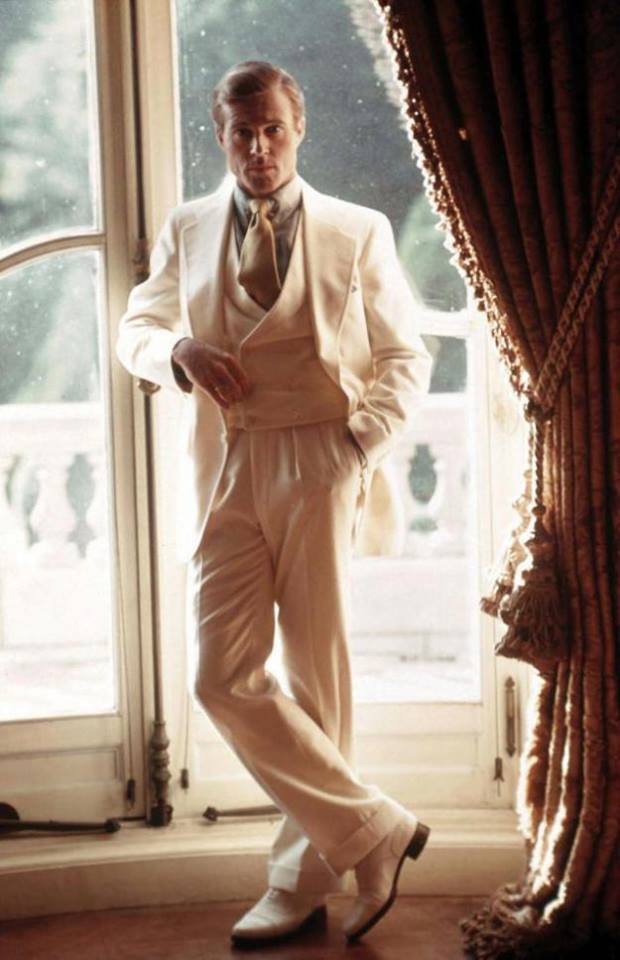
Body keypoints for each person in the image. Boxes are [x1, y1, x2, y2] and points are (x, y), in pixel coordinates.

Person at [116, 59, 433, 945]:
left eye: (274, 131)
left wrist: (357, 444)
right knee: (219, 675)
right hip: (226, 463)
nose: (259, 149)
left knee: (316, 673)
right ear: (220, 136)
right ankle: (374, 828)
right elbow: (135, 328)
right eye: (242, 133)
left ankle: (300, 882)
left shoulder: (357, 229)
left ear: (299, 131)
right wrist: (176, 351)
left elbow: (405, 357)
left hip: (321, 459)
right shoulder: (187, 227)